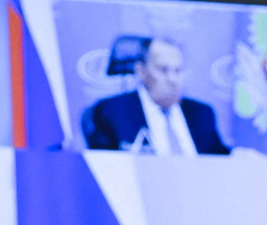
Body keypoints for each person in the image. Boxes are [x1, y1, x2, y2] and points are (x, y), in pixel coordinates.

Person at [82, 38, 230, 155]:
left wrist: (239, 155)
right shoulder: (112, 112)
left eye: (177, 71)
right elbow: (105, 167)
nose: (172, 79)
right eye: (163, 70)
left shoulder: (201, 114)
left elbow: (219, 158)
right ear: (140, 71)